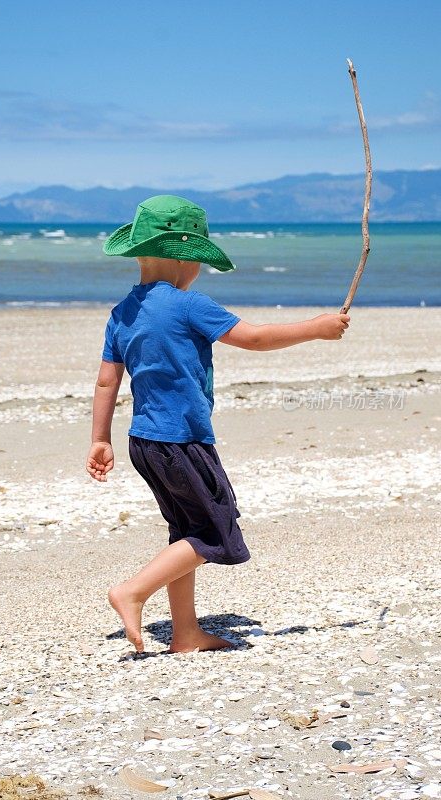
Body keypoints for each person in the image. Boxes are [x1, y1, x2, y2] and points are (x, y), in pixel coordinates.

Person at [86, 195, 350, 654]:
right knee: (215, 532)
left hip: (143, 442)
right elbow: (254, 338)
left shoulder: (122, 312)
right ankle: (132, 591)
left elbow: (107, 380)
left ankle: (185, 634)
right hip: (182, 441)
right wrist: (317, 328)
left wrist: (99, 439)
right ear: (183, 257)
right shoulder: (188, 304)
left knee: (184, 530)